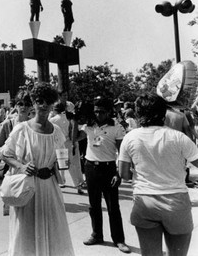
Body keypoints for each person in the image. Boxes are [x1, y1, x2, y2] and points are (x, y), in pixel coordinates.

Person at [119, 94, 198, 256]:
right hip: (176, 203)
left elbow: (124, 174)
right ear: (164, 113)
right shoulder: (179, 138)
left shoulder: (130, 138)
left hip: (144, 201)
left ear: (138, 113)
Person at [0, 83, 74, 256]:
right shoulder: (22, 129)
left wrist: (62, 163)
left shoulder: (56, 131)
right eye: (39, 101)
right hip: (28, 188)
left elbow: (60, 158)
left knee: (53, 230)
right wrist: (22, 166)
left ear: (52, 104)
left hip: (50, 188)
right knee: (26, 232)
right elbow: (5, 154)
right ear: (33, 102)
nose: (43, 105)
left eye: (48, 102)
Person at [81, 97, 130, 253]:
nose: (98, 114)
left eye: (102, 111)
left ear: (109, 112)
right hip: (90, 168)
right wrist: (74, 120)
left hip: (109, 169)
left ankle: (119, 240)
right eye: (96, 111)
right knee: (93, 205)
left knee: (112, 206)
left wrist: (118, 172)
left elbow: (122, 152)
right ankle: (97, 235)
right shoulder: (89, 125)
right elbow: (74, 138)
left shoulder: (117, 128)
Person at [49, 101, 84, 194]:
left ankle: (60, 183)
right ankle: (77, 185)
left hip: (60, 144)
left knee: (60, 165)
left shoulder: (53, 120)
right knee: (72, 165)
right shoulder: (69, 118)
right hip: (70, 141)